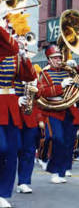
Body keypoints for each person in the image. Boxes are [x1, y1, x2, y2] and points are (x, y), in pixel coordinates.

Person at [37, 44, 79, 184]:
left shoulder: (68, 70)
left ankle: (62, 171)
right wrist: (61, 86)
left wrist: (77, 67)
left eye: (59, 57)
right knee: (57, 139)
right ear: (49, 60)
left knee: (69, 142)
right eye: (55, 58)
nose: (58, 60)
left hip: (69, 110)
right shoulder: (44, 74)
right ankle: (54, 171)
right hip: (54, 110)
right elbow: (41, 92)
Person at [0, 10, 37, 207]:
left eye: (14, 30)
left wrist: (23, 57)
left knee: (12, 150)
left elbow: (29, 77)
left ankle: (3, 193)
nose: (13, 34)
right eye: (10, 29)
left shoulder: (15, 55)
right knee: (1, 147)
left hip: (12, 105)